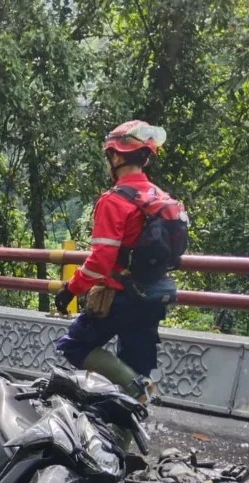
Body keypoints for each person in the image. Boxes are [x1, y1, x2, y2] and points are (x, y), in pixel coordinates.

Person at [53, 121, 182, 400]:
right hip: (154, 296)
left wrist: (70, 290)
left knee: (73, 346)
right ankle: (124, 432)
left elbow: (101, 260)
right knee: (138, 363)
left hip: (120, 297)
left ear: (116, 156)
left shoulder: (115, 200)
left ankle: (136, 384)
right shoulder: (161, 198)